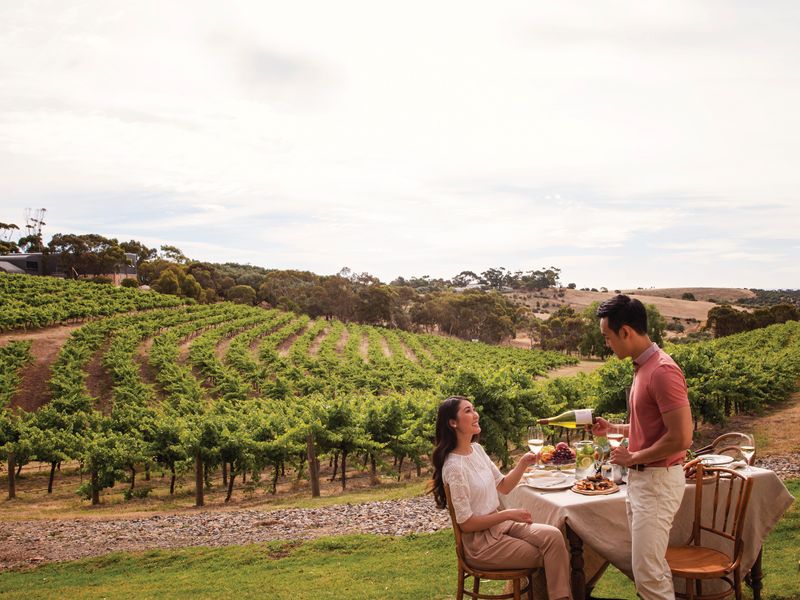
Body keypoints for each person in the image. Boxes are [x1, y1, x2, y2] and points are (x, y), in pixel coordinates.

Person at [592, 295, 693, 600]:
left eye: (607, 337)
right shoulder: (642, 368)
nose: (606, 344)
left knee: (648, 574)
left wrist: (634, 456)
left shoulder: (662, 371)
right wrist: (615, 429)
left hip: (658, 481)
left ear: (626, 332)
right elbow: (650, 429)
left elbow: (681, 438)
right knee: (650, 569)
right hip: (642, 480)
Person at [431, 395, 571, 600]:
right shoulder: (454, 467)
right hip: (481, 545)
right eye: (467, 411)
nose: (475, 414)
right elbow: (466, 523)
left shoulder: (477, 450)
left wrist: (523, 463)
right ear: (453, 423)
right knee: (551, 554)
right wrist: (507, 515)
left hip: (500, 529)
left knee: (554, 536)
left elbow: (503, 486)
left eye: (474, 408)